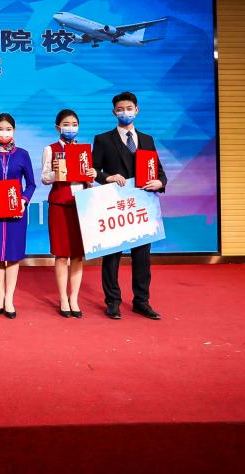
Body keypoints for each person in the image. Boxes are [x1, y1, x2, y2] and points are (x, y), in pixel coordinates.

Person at [92, 91, 167, 321]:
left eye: (129, 108)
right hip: (115, 205)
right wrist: (108, 177)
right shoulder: (103, 139)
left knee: (142, 256)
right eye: (120, 109)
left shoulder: (147, 140)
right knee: (112, 256)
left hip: (142, 205)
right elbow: (94, 171)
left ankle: (141, 301)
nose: (125, 112)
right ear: (113, 112)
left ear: (137, 110)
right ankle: (112, 302)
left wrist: (160, 183)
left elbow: (159, 171)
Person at [0, 113, 36, 318]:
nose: (4, 133)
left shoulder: (23, 154)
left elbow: (31, 184)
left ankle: (9, 298)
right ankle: (0, 296)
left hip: (16, 209)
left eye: (8, 129)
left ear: (14, 131)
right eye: (0, 129)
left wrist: (23, 200)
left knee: (12, 254)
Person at [41, 108, 97, 318]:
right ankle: (63, 298)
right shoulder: (50, 149)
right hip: (59, 205)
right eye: (66, 124)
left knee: (78, 255)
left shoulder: (83, 151)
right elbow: (44, 178)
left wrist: (91, 175)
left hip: (81, 205)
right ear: (58, 127)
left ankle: (74, 298)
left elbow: (88, 180)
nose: (70, 128)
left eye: (74, 125)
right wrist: (56, 173)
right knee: (62, 254)